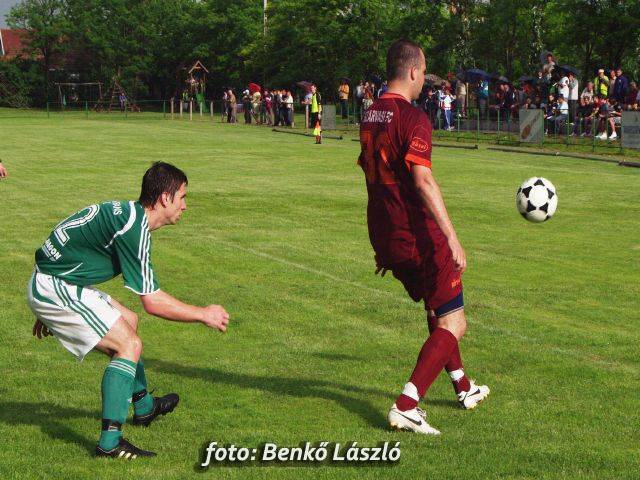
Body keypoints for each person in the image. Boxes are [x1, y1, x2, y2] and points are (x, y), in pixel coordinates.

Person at [27, 162, 230, 459]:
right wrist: (203, 313)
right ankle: (110, 443)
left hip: (55, 282)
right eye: (182, 197)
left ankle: (144, 407)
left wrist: (46, 302)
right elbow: (153, 301)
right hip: (55, 286)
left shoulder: (127, 214)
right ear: (165, 198)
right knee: (128, 344)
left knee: (128, 321)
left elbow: (66, 242)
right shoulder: (134, 229)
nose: (185, 206)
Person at [357, 39, 489, 436]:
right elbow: (423, 179)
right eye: (424, 71)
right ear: (413, 71)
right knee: (455, 321)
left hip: (386, 233)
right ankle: (407, 405)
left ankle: (463, 387)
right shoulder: (412, 117)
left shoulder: (370, 113)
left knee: (437, 307)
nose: (424, 79)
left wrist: (385, 240)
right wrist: (452, 237)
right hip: (417, 233)